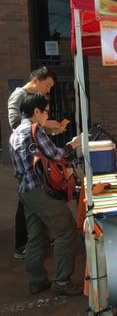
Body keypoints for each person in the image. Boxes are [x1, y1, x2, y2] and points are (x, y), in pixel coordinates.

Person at [9, 93, 82, 295]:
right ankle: (61, 281)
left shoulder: (15, 132)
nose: (47, 116)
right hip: (40, 191)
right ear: (36, 112)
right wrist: (72, 145)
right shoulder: (34, 129)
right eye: (46, 111)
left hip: (24, 190)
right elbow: (56, 154)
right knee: (67, 231)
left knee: (37, 237)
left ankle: (37, 280)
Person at [7, 66, 64, 259]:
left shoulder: (35, 103)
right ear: (36, 80)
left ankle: (37, 240)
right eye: (47, 85)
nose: (48, 90)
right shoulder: (19, 96)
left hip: (34, 158)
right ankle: (22, 244)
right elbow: (18, 124)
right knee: (28, 199)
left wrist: (47, 128)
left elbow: (33, 128)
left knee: (32, 199)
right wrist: (45, 126)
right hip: (27, 159)